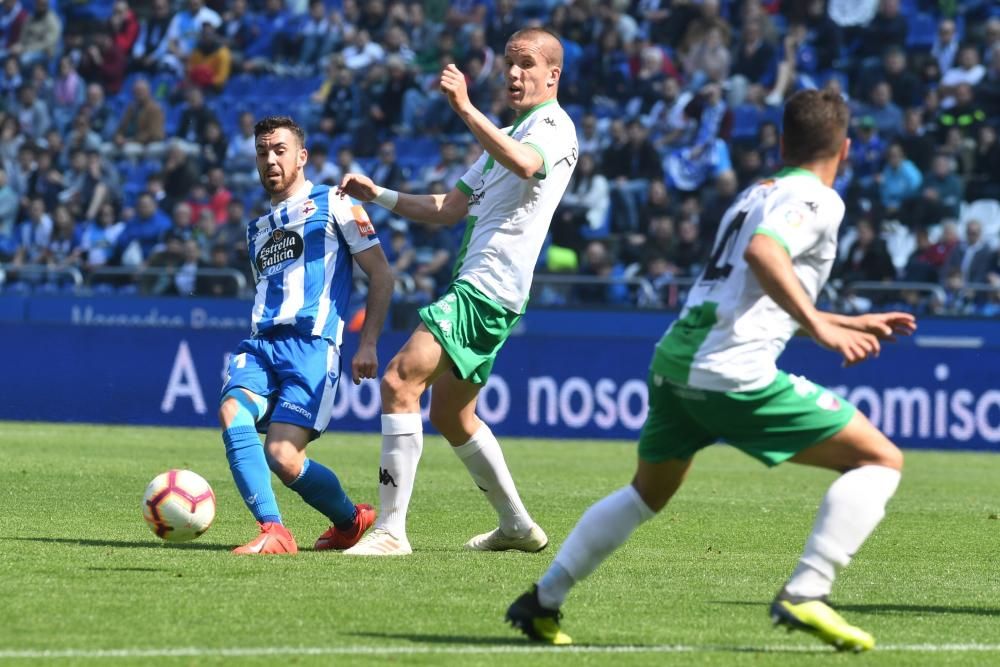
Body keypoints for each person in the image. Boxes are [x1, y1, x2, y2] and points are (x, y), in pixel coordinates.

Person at [506, 89, 916, 652]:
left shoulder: (756, 193)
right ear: (844, 150)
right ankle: (807, 591)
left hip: (677, 359)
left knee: (646, 495)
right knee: (880, 458)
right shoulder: (818, 199)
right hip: (729, 370)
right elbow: (765, 257)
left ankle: (541, 601)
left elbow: (746, 295)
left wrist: (834, 318)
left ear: (780, 142)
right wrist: (821, 327)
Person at [338, 27, 579, 556]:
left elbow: (527, 164)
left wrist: (467, 109)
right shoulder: (508, 136)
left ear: (552, 75)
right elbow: (448, 208)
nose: (514, 74)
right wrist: (379, 194)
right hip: (483, 284)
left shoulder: (553, 127)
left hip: (489, 285)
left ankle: (389, 531)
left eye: (526, 65)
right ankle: (516, 526)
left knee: (401, 377)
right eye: (510, 64)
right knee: (451, 414)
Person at [219, 115, 394, 555]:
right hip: (260, 345)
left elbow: (382, 276)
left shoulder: (337, 203)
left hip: (312, 347)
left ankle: (350, 521)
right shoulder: (256, 230)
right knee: (232, 411)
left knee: (283, 457)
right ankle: (274, 530)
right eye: (262, 153)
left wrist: (367, 342)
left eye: (279, 150)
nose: (270, 160)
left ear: (302, 157)